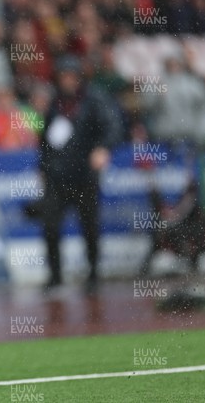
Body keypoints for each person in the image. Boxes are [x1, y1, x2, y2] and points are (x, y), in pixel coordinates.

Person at [37, 55, 122, 293]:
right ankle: (55, 276)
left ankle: (93, 273)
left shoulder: (94, 100)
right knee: (51, 225)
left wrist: (103, 148)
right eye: (63, 76)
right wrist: (43, 168)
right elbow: (45, 140)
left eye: (71, 76)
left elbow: (113, 126)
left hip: (84, 174)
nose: (67, 81)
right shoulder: (55, 103)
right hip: (57, 176)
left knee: (89, 226)